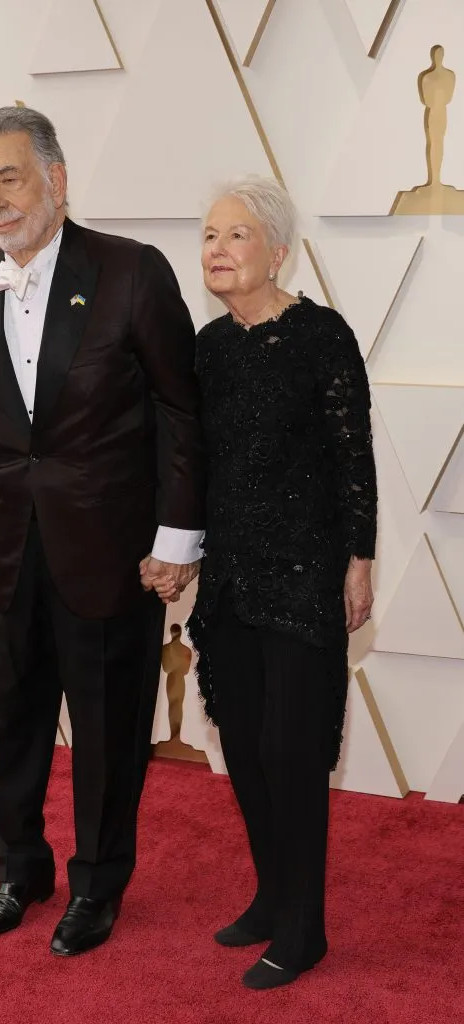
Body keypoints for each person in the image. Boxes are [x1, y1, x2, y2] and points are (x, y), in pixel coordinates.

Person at [0, 106, 204, 957]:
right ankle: (19, 871)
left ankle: (97, 884)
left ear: (55, 179)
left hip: (111, 553)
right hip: (7, 553)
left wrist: (177, 538)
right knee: (12, 725)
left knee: (107, 734)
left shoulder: (130, 270)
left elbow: (180, 411)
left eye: (8, 177)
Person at [150, 176, 377, 989]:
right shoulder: (208, 348)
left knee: (291, 750)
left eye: (236, 235)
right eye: (209, 236)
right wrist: (175, 548)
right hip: (230, 579)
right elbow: (190, 463)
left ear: (277, 250)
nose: (217, 249)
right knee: (242, 744)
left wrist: (359, 558)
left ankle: (304, 926)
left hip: (307, 574)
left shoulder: (321, 334)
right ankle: (273, 896)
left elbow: (353, 455)